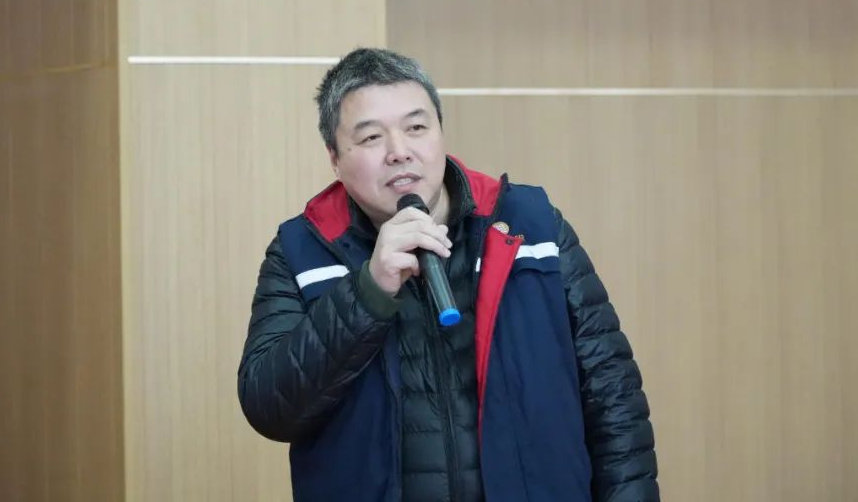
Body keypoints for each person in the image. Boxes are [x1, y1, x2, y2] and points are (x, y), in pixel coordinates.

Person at [238, 48, 659, 502]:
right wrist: (367, 291)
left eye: (417, 128)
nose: (400, 152)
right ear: (335, 158)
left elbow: (613, 394)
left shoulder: (530, 225)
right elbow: (270, 406)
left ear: (440, 132)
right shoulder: (302, 251)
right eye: (372, 137)